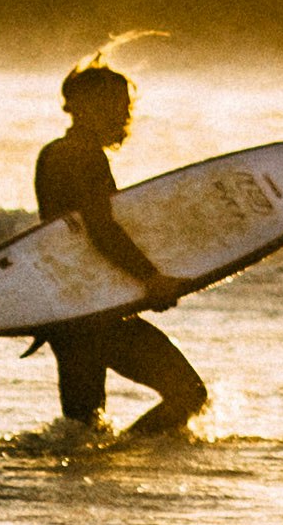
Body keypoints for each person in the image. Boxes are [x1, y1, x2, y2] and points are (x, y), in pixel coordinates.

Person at [32, 61, 209, 440]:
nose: (127, 115)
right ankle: (126, 452)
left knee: (83, 429)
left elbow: (69, 235)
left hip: (68, 308)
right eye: (118, 105)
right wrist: (149, 278)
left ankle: (97, 466)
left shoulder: (53, 153)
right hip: (96, 312)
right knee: (188, 394)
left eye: (127, 105)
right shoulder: (85, 156)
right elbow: (100, 229)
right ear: (88, 106)